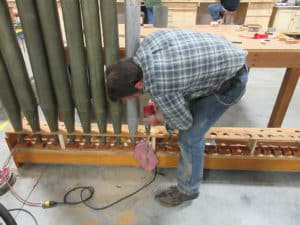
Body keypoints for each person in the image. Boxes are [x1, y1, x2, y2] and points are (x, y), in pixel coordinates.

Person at [106, 29, 248, 207]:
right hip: (223, 54)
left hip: (231, 81)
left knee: (189, 137)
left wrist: (160, 118)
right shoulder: (147, 46)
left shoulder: (162, 84)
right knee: (176, 107)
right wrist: (164, 104)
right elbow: (172, 82)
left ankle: (188, 190)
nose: (130, 101)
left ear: (139, 84)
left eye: (130, 97)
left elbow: (184, 122)